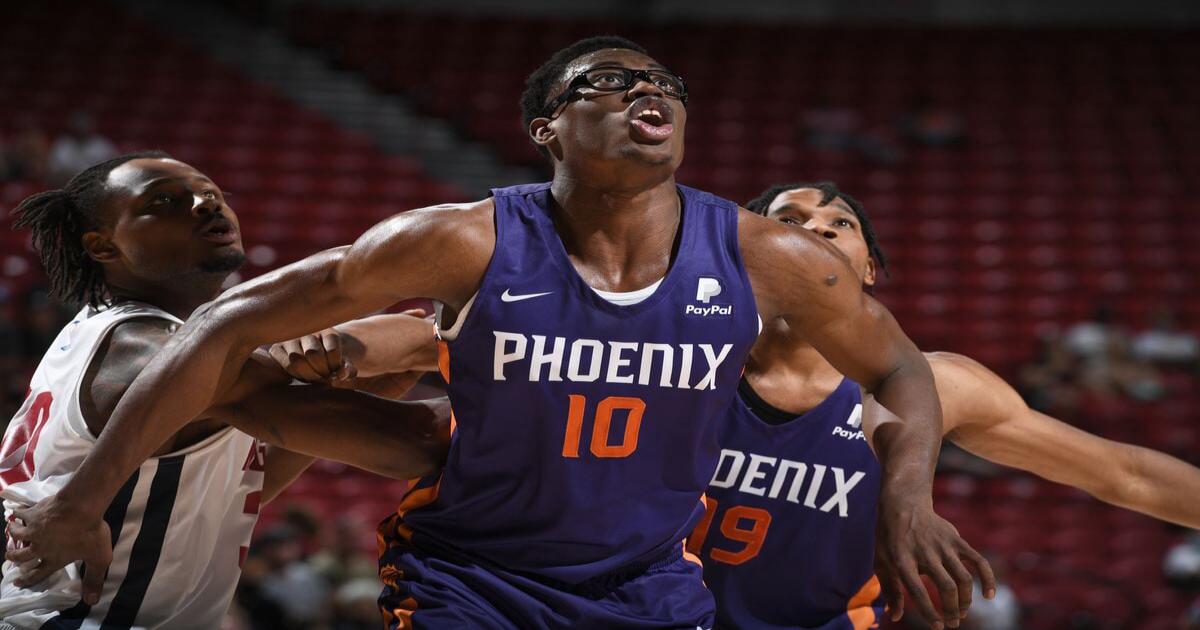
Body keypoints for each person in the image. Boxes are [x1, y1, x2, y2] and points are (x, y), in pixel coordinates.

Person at [11, 37, 989, 629]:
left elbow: (901, 368)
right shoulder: (461, 240)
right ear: (546, 128)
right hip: (473, 579)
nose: (644, 89)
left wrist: (908, 500)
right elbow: (230, 327)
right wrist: (84, 499)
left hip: (648, 584)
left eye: (660, 80)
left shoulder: (765, 256)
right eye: (607, 81)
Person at [687, 181, 1200, 629]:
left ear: (869, 270)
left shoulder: (934, 386)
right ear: (752, 250)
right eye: (789, 220)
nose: (816, 229)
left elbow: (1125, 474)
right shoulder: (678, 357)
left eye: (840, 223)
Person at [1, 152, 447, 629]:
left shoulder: (102, 332)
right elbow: (413, 442)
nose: (205, 204)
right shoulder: (147, 352)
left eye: (212, 193)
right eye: (164, 201)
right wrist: (444, 341)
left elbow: (236, 494)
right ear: (102, 245)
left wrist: (372, 368)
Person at [46, 112, 117, 187]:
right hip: (68, 187)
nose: (81, 129)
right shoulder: (62, 144)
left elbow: (115, 169)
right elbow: (52, 173)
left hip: (97, 187)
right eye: (78, 126)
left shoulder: (102, 145)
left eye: (84, 125)